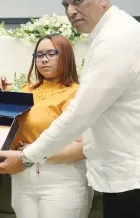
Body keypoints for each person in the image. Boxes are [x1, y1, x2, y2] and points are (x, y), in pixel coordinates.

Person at [0, 0, 140, 218]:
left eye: (78, 1)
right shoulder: (108, 35)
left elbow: (79, 115)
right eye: (66, 4)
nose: (70, 11)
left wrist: (27, 157)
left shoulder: (116, 38)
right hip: (117, 173)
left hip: (126, 175)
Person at [8, 33, 92, 218]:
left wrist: (35, 152)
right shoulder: (26, 90)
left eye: (51, 53)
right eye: (39, 55)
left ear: (66, 55)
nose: (44, 60)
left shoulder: (78, 93)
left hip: (61, 179)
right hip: (23, 177)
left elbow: (84, 147)